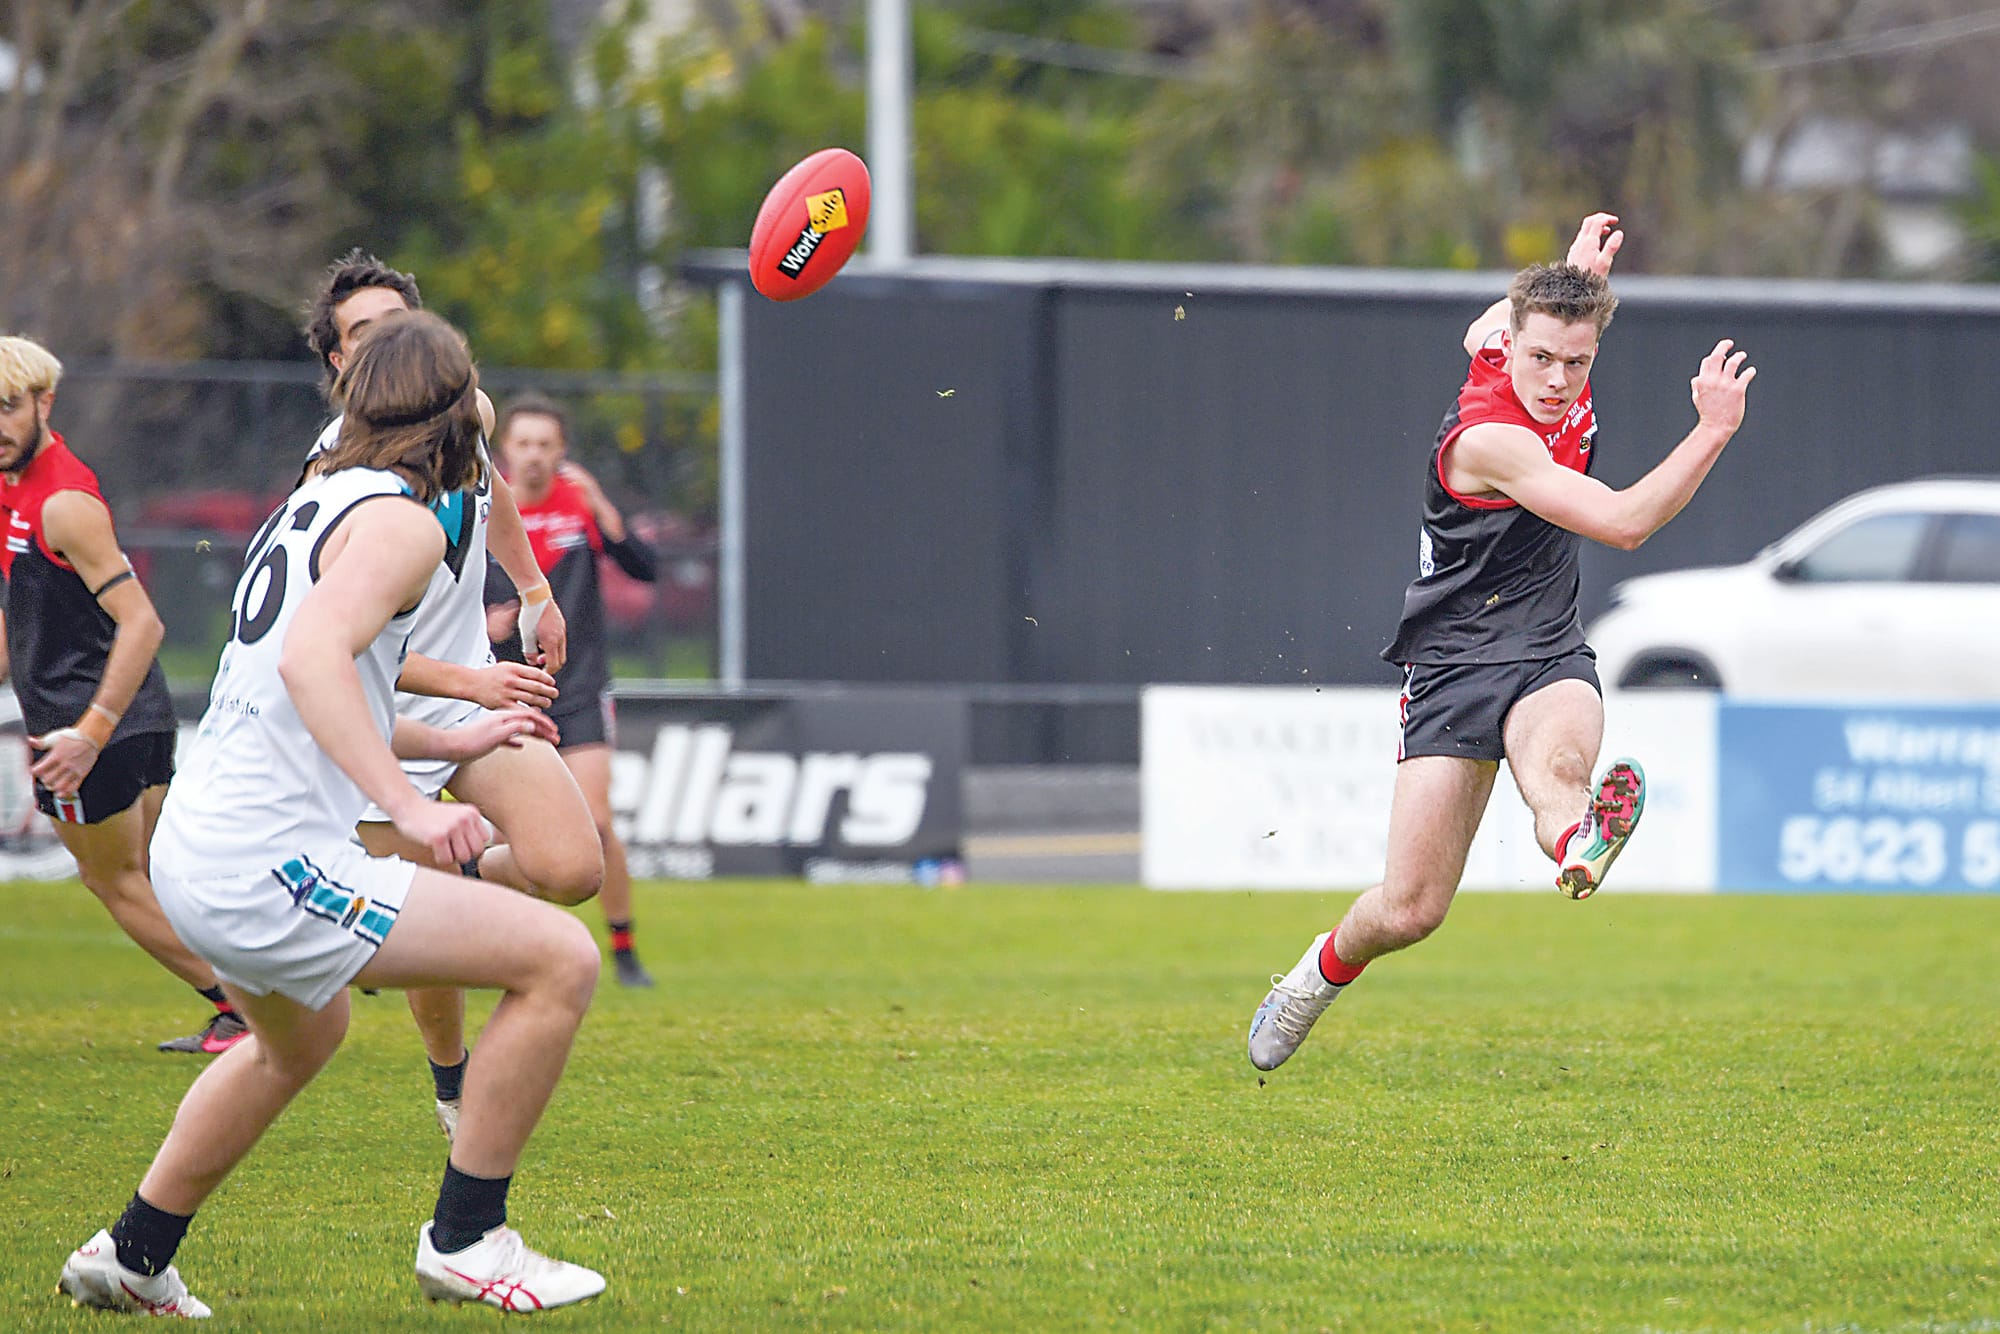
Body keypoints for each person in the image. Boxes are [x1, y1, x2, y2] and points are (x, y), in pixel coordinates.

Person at [59, 309, 607, 1317]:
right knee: (558, 958)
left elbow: (314, 679)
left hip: (201, 841)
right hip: (264, 860)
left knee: (301, 1041)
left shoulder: (320, 503)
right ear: (452, 414)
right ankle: (468, 1236)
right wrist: (408, 806)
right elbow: (314, 660)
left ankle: (131, 1252)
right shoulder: (399, 519)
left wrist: (453, 741)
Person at [1247, 213, 1756, 1072]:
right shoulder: (1493, 439)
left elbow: (1492, 322)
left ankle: (1576, 842)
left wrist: (1575, 271)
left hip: (1546, 644)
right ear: (1509, 347)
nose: (1558, 381)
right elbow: (1626, 524)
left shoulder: (1509, 338)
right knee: (1410, 910)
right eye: (1541, 358)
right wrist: (1712, 430)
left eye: (1578, 362)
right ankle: (1313, 975)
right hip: (1451, 662)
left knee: (1557, 775)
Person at [301, 252, 604, 1138]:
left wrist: (536, 590)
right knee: (421, 917)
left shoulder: (468, 419)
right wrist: (473, 676)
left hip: (473, 693)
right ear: (338, 363)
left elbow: (493, 493)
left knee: (571, 867)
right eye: (361, 333)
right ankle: (449, 1083)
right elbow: (327, 651)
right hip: (384, 720)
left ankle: (456, 873)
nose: (382, 342)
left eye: (395, 323)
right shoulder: (336, 480)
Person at [0, 334, 248, 1056]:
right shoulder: (16, 484)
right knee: (157, 877)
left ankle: (249, 1008)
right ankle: (265, 988)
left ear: (45, 402)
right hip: (130, 712)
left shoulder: (64, 501)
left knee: (113, 883)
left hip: (92, 725)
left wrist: (89, 731)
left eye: (9, 407)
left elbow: (144, 620)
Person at [487, 393, 659, 988]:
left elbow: (646, 568)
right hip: (511, 690)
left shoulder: (578, 503)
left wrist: (607, 516)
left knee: (598, 822)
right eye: (523, 443)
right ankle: (515, 944)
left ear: (561, 451)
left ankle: (625, 947)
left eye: (545, 444)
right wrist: (489, 624)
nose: (534, 455)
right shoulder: (487, 508)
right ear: (504, 449)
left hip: (581, 687)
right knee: (513, 830)